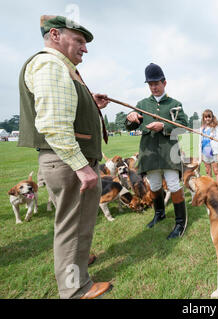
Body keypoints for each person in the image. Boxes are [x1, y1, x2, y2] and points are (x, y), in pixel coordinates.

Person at [18, 15, 111, 299]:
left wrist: (90, 104)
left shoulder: (59, 67)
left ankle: (77, 264)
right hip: (69, 162)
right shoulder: (51, 64)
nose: (85, 48)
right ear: (55, 35)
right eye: (79, 40)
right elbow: (54, 124)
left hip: (63, 160)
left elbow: (63, 113)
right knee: (73, 226)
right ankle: (76, 287)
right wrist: (83, 168)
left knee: (73, 222)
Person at [125, 63, 189, 240]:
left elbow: (184, 127)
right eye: (150, 84)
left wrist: (164, 126)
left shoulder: (175, 104)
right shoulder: (142, 104)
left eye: (157, 83)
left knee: (173, 185)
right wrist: (130, 118)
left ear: (164, 83)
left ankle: (180, 222)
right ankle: (159, 213)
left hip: (169, 153)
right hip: (149, 152)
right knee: (154, 185)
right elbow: (131, 124)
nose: (153, 87)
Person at [198, 109, 218, 189]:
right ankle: (211, 189)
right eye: (206, 117)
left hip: (214, 152)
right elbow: (199, 142)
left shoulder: (215, 128)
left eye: (209, 117)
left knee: (216, 171)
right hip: (205, 152)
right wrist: (200, 155)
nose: (207, 118)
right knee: (208, 171)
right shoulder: (202, 129)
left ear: (212, 117)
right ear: (203, 118)